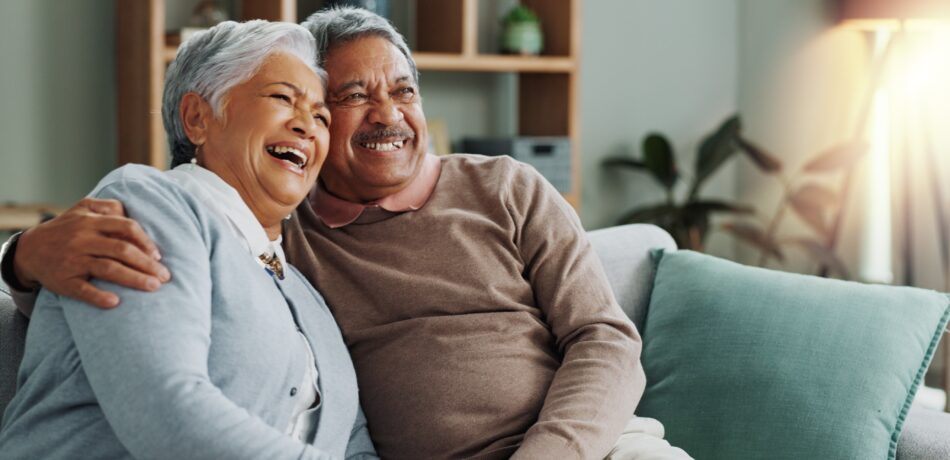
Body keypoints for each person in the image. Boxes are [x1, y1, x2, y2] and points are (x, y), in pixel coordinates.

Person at [1, 7, 690, 460]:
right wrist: (23, 258)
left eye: (404, 90)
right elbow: (134, 308)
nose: (386, 113)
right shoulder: (258, 233)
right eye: (350, 98)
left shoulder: (502, 188)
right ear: (200, 117)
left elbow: (605, 338)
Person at [0, 20, 376, 460]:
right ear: (198, 118)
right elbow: (166, 414)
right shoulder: (149, 206)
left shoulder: (306, 295)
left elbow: (355, 445)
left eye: (321, 116)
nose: (307, 126)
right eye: (282, 98)